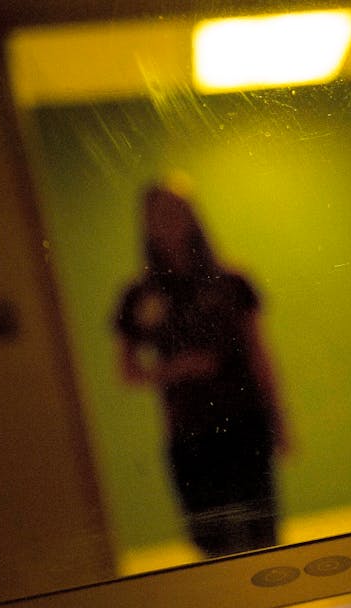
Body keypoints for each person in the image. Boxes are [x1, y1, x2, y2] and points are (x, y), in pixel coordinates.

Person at [114, 180, 288, 557]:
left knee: (262, 535)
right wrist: (180, 368)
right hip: (188, 432)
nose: (170, 221)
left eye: (178, 210)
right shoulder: (138, 296)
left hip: (245, 423)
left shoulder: (231, 282)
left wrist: (280, 421)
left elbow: (260, 356)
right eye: (160, 213)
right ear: (145, 224)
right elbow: (128, 372)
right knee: (212, 544)